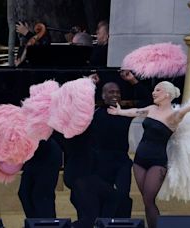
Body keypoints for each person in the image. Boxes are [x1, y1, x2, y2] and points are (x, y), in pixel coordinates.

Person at [107, 81, 190, 228]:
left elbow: (183, 112)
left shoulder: (173, 116)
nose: (153, 93)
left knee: (149, 199)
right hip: (139, 161)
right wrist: (120, 112)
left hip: (157, 163)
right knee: (146, 200)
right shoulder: (152, 108)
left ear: (167, 94)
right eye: (153, 90)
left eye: (157, 90)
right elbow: (137, 111)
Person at [63, 72, 151, 227]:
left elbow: (148, 102)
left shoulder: (124, 112)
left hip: (122, 161)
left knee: (123, 195)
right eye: (111, 92)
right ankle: (102, 224)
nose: (115, 95)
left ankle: (121, 224)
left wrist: (133, 81)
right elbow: (74, 104)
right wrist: (88, 84)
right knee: (103, 197)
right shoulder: (94, 113)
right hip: (99, 162)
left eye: (117, 92)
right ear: (103, 96)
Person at [18, 135, 63, 218]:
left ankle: (46, 223)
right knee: (24, 192)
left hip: (47, 153)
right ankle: (34, 222)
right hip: (32, 156)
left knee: (41, 194)